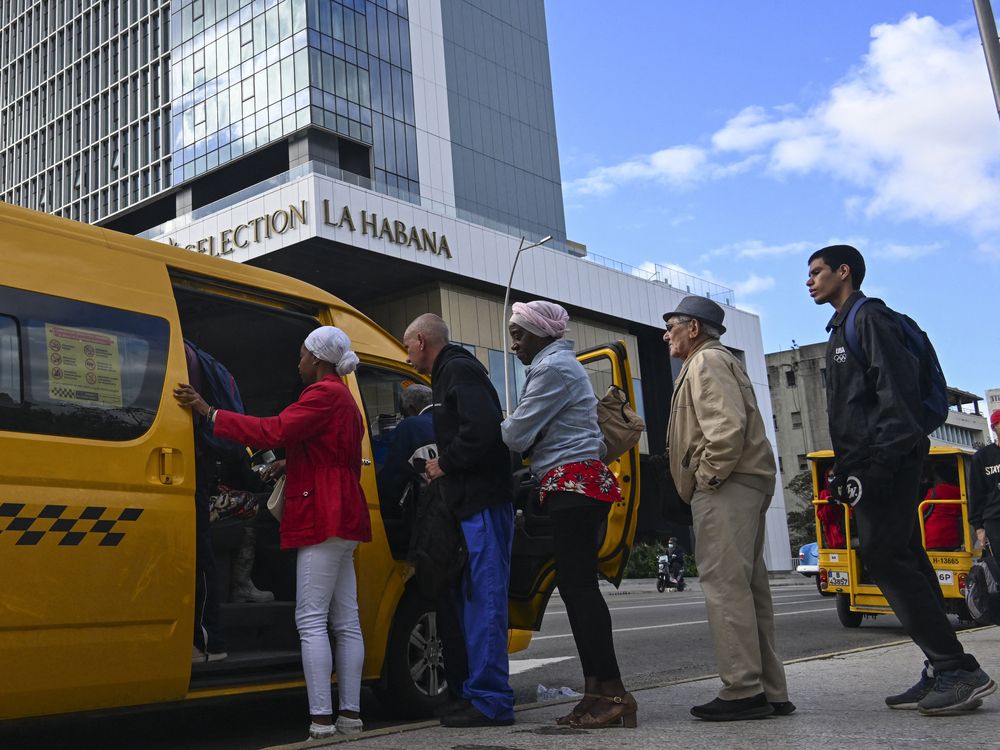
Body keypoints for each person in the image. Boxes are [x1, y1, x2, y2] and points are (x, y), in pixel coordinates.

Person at [806, 244, 994, 714]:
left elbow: (897, 397)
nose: (809, 281)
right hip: (874, 460)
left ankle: (957, 669)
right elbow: (857, 408)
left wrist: (875, 465)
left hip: (889, 459)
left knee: (883, 553)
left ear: (843, 272)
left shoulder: (869, 320)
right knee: (906, 554)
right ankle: (942, 667)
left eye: (817, 272)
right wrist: (846, 468)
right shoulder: (843, 327)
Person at [174, 326, 371, 740]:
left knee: (311, 619)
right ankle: (350, 714)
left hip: (322, 511)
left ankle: (321, 719)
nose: (297, 363)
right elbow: (325, 450)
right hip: (345, 510)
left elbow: (273, 431)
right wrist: (291, 461)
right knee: (346, 620)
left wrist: (210, 412)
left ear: (317, 360)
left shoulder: (321, 394)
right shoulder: (345, 399)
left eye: (301, 356)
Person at [499, 301, 637, 729]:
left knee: (580, 592)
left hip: (572, 487)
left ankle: (613, 694)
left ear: (542, 333)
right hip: (576, 483)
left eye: (520, 334)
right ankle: (596, 692)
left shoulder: (552, 368)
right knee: (577, 592)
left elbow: (515, 434)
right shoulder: (561, 366)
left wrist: (500, 421)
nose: (514, 343)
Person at [660, 296, 791, 721]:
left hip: (728, 484)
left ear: (693, 329)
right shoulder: (715, 360)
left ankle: (743, 690)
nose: (667, 335)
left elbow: (725, 428)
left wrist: (707, 478)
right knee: (749, 589)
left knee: (724, 586)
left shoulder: (705, 363)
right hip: (744, 481)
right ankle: (770, 690)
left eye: (672, 327)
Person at [402, 313, 515, 728]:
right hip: (472, 505)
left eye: (407, 344)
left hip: (482, 503)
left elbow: (484, 428)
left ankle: (491, 701)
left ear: (420, 341)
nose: (407, 353)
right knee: (473, 603)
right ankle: (474, 693)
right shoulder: (453, 371)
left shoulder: (458, 369)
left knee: (484, 602)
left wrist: (443, 464)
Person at [375, 384, 470, 713]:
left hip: (433, 527)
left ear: (410, 409)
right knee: (466, 605)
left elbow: (390, 480)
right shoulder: (460, 423)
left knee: (441, 600)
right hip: (471, 524)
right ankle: (471, 683)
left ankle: (459, 692)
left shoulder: (412, 428)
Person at [971, 411, 1000, 558]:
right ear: (994, 427)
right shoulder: (982, 457)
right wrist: (978, 527)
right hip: (995, 519)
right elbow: (976, 492)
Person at [922, 464, 962, 551]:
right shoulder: (961, 492)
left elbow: (921, 511)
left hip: (933, 538)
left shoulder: (935, 491)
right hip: (954, 538)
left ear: (940, 478)